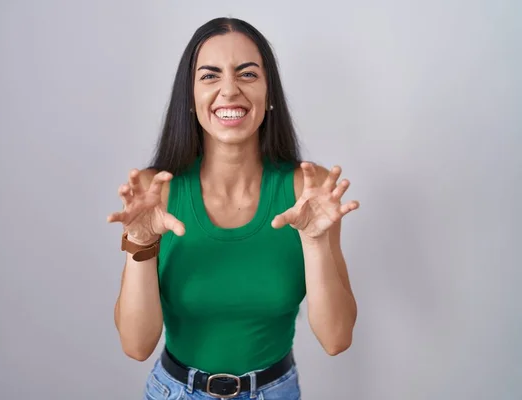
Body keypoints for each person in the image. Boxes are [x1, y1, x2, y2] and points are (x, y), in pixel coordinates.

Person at [107, 17, 359, 400]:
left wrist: (314, 241)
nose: (229, 90)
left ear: (268, 91)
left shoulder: (308, 189)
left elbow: (336, 338)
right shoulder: (152, 191)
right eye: (210, 76)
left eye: (247, 74)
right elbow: (136, 345)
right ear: (189, 96)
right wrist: (141, 244)